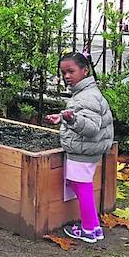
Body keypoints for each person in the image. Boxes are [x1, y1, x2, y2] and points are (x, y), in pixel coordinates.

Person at [46, 52, 114, 244]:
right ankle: (92, 226)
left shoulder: (87, 96)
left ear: (85, 71)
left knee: (81, 186)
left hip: (83, 150)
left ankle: (89, 229)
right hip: (83, 148)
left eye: (71, 71)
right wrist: (62, 117)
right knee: (79, 184)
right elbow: (81, 115)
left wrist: (72, 120)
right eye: (63, 72)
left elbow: (91, 127)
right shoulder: (84, 93)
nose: (67, 76)